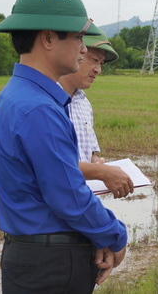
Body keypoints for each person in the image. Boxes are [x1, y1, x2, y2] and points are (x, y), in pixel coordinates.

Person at [0, 0, 127, 293]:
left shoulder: (14, 97)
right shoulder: (39, 108)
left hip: (31, 255)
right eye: (78, 37)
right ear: (48, 38)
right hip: (50, 264)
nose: (83, 48)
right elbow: (69, 197)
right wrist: (115, 235)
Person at [58, 26, 134, 198]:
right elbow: (50, 164)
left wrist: (96, 164)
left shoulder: (84, 104)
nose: (98, 70)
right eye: (93, 60)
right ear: (75, 53)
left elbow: (89, 154)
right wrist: (100, 171)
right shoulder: (44, 102)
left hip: (80, 200)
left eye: (101, 63)